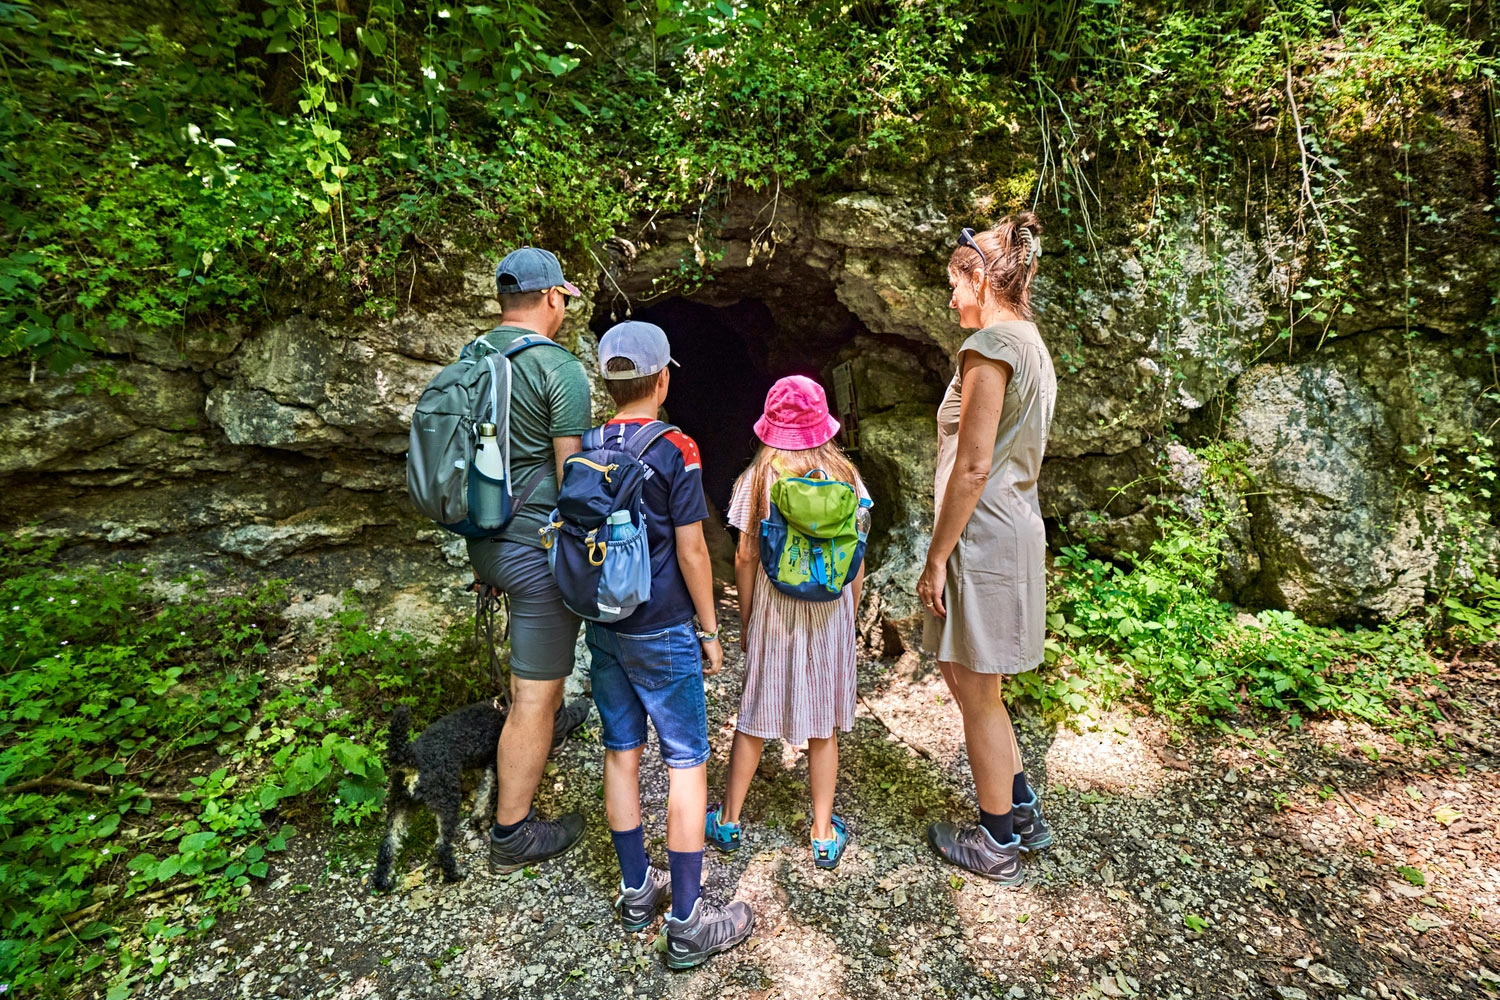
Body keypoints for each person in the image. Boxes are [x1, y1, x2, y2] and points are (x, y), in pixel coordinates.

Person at [586, 321, 755, 967]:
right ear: (662, 380)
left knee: (621, 751)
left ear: (608, 381)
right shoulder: (675, 447)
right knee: (685, 760)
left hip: (605, 625)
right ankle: (687, 923)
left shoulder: (590, 444)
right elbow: (691, 548)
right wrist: (710, 630)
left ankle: (637, 892)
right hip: (661, 626)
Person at [917, 214, 1057, 885]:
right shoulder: (1030, 342)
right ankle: (1022, 808)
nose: (950, 300)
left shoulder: (991, 347)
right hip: (1013, 526)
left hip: (982, 535)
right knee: (975, 683)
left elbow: (973, 465)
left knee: (975, 691)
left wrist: (937, 555)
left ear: (979, 276)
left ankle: (996, 841)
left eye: (955, 284)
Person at [705, 376, 868, 870]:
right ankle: (821, 833)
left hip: (775, 612)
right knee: (824, 727)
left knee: (755, 713)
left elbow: (745, 557)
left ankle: (729, 820)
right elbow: (857, 558)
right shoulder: (848, 478)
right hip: (829, 612)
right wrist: (851, 613)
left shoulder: (758, 480)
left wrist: (748, 617)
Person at [471, 247, 593, 874]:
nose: (566, 308)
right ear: (551, 298)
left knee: (534, 683)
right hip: (533, 549)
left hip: (482, 539)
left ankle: (542, 719)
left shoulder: (471, 361)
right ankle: (512, 832)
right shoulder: (558, 368)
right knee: (535, 695)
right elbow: (573, 477)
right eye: (564, 298)